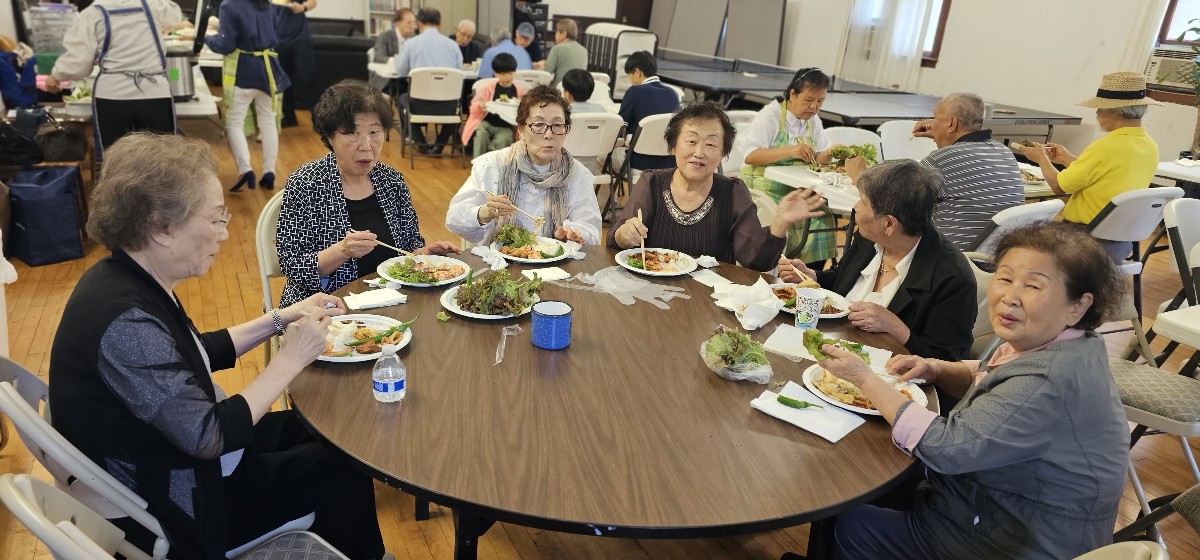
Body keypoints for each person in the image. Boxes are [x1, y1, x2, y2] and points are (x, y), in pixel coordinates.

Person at [47, 133, 387, 560]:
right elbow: (210, 436)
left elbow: (192, 351)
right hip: (184, 502)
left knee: (329, 430)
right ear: (162, 227)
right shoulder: (125, 323)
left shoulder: (122, 276)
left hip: (179, 454)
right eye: (214, 219)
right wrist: (291, 356)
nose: (224, 234)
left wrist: (282, 317)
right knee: (342, 469)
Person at [789, 223, 1129, 560]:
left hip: (1010, 541)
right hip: (995, 505)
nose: (1009, 297)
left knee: (852, 522)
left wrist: (864, 379)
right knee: (859, 478)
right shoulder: (1067, 344)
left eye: (1033, 286)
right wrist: (936, 368)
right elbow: (990, 376)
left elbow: (946, 448)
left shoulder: (1047, 381)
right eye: (1005, 278)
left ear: (1078, 305)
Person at [277, 80, 460, 307]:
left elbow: (409, 247)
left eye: (374, 132)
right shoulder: (306, 184)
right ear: (330, 137)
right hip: (324, 307)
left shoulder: (391, 181)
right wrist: (342, 251)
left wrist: (425, 253)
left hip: (390, 300)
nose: (366, 145)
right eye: (352, 133)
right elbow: (293, 267)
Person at [779, 160, 976, 361]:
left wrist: (896, 327)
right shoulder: (871, 236)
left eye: (862, 201)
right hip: (830, 350)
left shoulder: (952, 278)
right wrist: (813, 277)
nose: (855, 207)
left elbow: (948, 364)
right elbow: (842, 279)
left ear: (889, 224)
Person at [607, 102, 826, 271]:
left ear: (722, 153)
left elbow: (755, 260)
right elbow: (615, 240)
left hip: (710, 302)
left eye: (711, 144)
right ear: (673, 146)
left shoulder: (733, 192)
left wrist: (779, 224)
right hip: (650, 292)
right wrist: (623, 236)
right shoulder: (652, 182)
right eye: (691, 141)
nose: (699, 152)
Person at [1014, 71, 1160, 263]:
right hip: (1122, 244)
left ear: (1116, 110)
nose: (1096, 113)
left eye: (1100, 107)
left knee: (1019, 236)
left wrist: (1041, 158)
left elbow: (1059, 186)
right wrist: (1067, 159)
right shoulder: (1150, 146)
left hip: (1084, 240)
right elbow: (1105, 174)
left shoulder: (1105, 146)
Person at [446, 85, 602, 246]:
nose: (549, 134)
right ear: (521, 129)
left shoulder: (576, 174)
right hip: (498, 258)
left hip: (556, 260)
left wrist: (573, 235)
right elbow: (454, 219)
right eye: (539, 125)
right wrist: (485, 212)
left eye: (557, 125)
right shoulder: (493, 165)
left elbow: (591, 230)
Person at [44, 0, 189, 153]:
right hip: (154, 91)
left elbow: (79, 62)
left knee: (114, 157)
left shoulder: (93, 13)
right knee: (161, 156)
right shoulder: (153, 5)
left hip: (112, 94)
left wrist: (56, 75)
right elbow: (175, 17)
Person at [737, 67, 847, 264]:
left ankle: (810, 276)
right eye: (809, 100)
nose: (814, 107)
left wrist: (830, 152)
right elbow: (751, 156)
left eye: (820, 101)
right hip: (763, 188)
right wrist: (789, 151)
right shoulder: (770, 116)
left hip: (794, 187)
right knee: (803, 219)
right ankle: (782, 268)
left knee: (822, 217)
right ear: (792, 94)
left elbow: (817, 159)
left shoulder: (813, 121)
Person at [911, 92, 1023, 250]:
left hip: (956, 259)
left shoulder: (940, 160)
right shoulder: (1004, 151)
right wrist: (942, 133)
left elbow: (897, 197)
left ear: (952, 123)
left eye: (934, 118)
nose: (931, 124)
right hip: (1000, 255)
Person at [206, 0, 291, 192]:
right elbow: (273, 34)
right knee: (268, 122)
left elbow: (225, 45)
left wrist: (206, 37)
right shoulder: (266, 4)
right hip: (268, 71)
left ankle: (245, 170)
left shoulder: (229, 5)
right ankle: (269, 172)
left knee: (234, 123)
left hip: (243, 72)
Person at [394, 7, 463, 153]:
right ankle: (439, 145)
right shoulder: (453, 45)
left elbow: (400, 72)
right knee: (457, 107)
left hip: (418, 105)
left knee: (401, 99)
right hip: (448, 107)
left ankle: (421, 143)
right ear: (440, 25)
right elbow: (459, 74)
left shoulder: (410, 44)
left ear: (419, 24)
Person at [617, 50, 681, 171]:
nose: (630, 80)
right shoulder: (673, 93)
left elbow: (620, 127)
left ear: (637, 72)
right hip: (669, 162)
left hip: (639, 162)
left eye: (629, 75)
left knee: (603, 157)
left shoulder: (634, 91)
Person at [463, 53, 525, 158]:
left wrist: (520, 103)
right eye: (503, 74)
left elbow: (526, 110)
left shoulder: (519, 90)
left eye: (510, 73)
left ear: (515, 72)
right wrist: (480, 105)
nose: (507, 77)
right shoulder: (488, 88)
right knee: (480, 135)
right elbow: (473, 108)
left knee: (504, 139)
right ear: (495, 73)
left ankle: (498, 166)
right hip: (486, 123)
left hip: (505, 126)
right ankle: (478, 164)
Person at [273, 0, 316, 128]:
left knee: (306, 77)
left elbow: (312, 2)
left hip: (300, 39)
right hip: (279, 40)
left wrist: (303, 7)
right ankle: (289, 117)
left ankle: (318, 120)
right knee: (285, 80)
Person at [367, 7, 416, 91]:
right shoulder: (385, 36)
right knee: (402, 90)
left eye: (414, 23)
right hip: (386, 79)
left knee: (418, 88)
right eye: (409, 23)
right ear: (397, 23)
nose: (413, 27)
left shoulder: (415, 38)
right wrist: (398, 60)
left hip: (407, 77)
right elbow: (379, 57)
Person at [543, 18, 587, 85]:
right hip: (578, 89)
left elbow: (546, 74)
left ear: (564, 34)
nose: (555, 35)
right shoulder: (584, 51)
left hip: (560, 89)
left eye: (557, 32)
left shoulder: (557, 48)